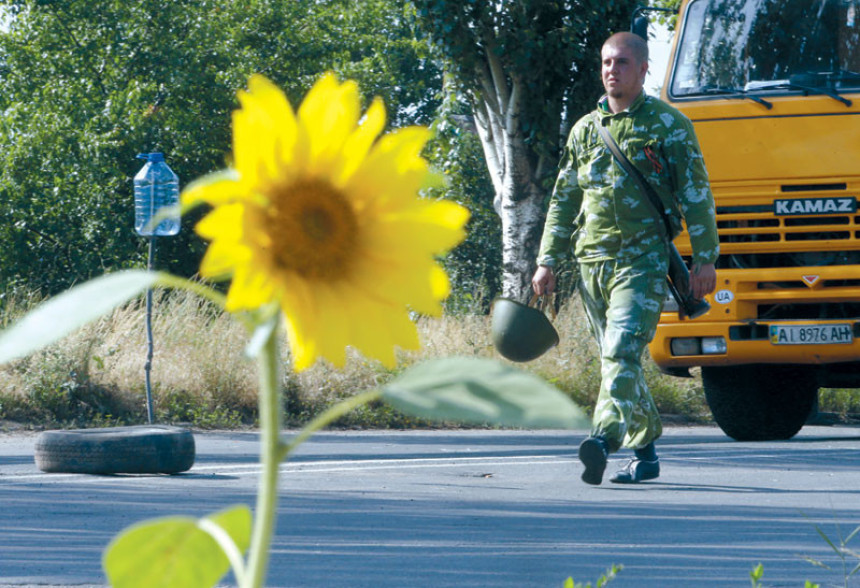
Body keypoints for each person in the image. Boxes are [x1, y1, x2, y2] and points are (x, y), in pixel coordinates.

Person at [531, 32, 719, 485]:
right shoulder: (584, 130)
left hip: (643, 261)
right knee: (618, 361)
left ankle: (602, 439)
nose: (611, 70)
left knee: (620, 351)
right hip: (591, 261)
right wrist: (547, 260)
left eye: (622, 62)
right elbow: (563, 200)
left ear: (642, 69)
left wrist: (706, 257)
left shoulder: (668, 125)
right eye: (606, 62)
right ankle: (647, 455)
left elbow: (696, 195)